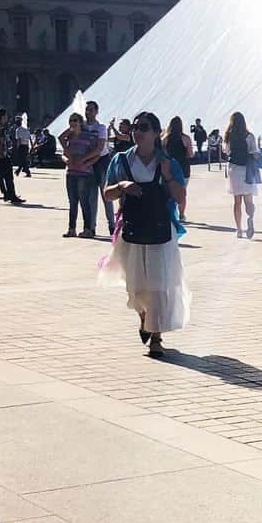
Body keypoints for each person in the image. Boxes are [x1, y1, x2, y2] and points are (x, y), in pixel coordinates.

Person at [102, 111, 189, 357]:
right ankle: (144, 318)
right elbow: (106, 194)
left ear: (155, 133)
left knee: (158, 284)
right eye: (134, 127)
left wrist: (168, 176)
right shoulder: (120, 160)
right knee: (136, 287)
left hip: (161, 231)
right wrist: (121, 186)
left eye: (143, 127)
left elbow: (181, 197)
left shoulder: (167, 162)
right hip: (132, 230)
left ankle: (156, 337)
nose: (136, 131)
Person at [59, 113, 98, 237]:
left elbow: (96, 153)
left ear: (81, 122)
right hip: (71, 172)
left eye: (75, 120)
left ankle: (87, 229)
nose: (72, 122)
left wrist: (87, 163)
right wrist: (67, 161)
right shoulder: (69, 138)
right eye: (70, 120)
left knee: (84, 201)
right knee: (72, 202)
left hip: (84, 173)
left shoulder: (88, 137)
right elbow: (60, 141)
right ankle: (72, 229)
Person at [226, 111, 260, 238]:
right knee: (249, 200)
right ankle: (250, 217)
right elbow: (255, 153)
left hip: (234, 169)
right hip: (247, 170)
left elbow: (227, 151)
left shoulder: (229, 136)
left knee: (237, 202)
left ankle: (239, 229)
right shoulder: (249, 136)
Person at [83, 101, 113, 236]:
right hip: (89, 162)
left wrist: (84, 160)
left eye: (90, 110)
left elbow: (100, 148)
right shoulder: (81, 126)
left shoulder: (101, 128)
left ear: (96, 112)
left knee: (106, 195)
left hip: (101, 161)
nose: (88, 112)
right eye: (86, 109)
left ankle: (112, 225)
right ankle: (91, 227)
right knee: (91, 196)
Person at [163, 117, 194, 223]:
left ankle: (170, 213)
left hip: (169, 168)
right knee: (182, 192)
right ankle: (181, 215)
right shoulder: (185, 138)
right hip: (183, 168)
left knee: (168, 191)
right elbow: (190, 154)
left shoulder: (165, 139)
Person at [13, 115, 33, 179]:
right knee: (23, 159)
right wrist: (31, 146)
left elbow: (19, 140)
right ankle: (19, 171)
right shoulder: (26, 129)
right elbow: (29, 138)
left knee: (22, 160)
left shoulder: (18, 130)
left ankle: (27, 171)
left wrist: (17, 147)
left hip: (21, 146)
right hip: (26, 146)